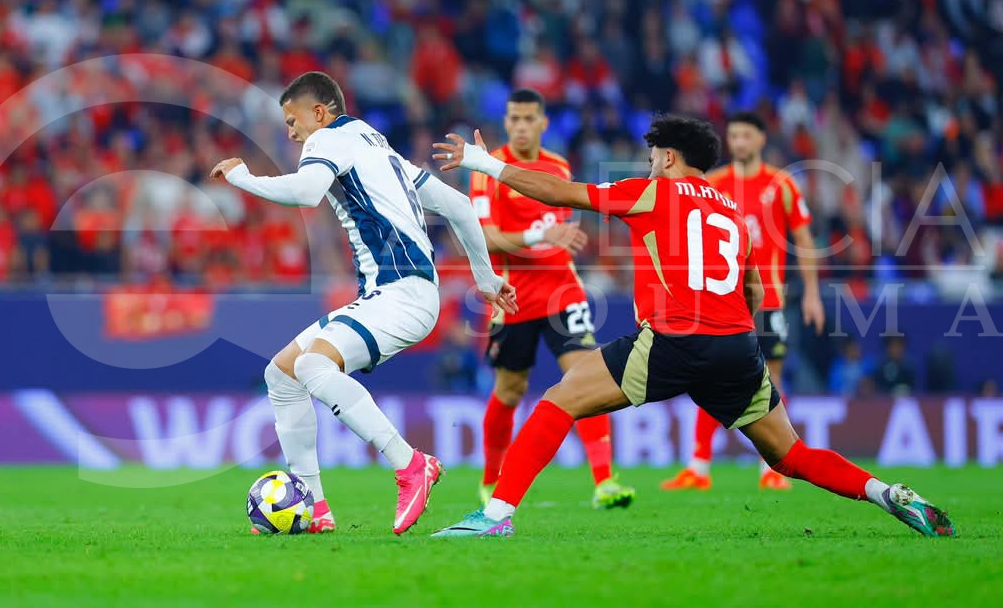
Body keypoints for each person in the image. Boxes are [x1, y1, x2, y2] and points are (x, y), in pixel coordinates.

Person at [428, 115, 954, 538]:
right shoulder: (732, 215)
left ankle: (495, 516)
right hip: (737, 348)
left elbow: (563, 193)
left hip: (674, 340)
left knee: (558, 400)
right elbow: (751, 289)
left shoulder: (655, 193)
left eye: (653, 157)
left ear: (670, 157)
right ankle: (889, 494)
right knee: (790, 454)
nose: (649, 166)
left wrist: (482, 162)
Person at [211, 72, 517, 535]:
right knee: (282, 374)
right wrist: (486, 277)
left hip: (400, 293)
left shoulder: (328, 141)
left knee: (315, 367)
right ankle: (313, 505)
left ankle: (411, 464)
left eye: (293, 120)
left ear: (319, 112)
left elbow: (305, 193)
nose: (290, 132)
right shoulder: (376, 145)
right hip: (399, 293)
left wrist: (242, 177)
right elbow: (457, 204)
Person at [469, 88, 635, 509]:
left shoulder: (558, 166)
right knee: (509, 390)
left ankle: (604, 482)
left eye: (529, 119)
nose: (521, 126)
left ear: (543, 123)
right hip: (514, 296)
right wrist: (540, 235)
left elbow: (560, 235)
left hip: (563, 290)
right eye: (514, 119)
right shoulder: (487, 168)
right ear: (506, 122)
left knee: (585, 378)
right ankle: (491, 479)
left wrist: (547, 239)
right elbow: (486, 239)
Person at [662, 111, 826, 491]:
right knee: (708, 378)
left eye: (745, 135)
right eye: (733, 135)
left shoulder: (781, 184)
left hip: (770, 300)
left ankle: (771, 469)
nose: (738, 142)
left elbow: (803, 241)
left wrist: (813, 294)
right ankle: (698, 468)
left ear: (761, 140)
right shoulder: (713, 183)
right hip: (725, 301)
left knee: (773, 378)